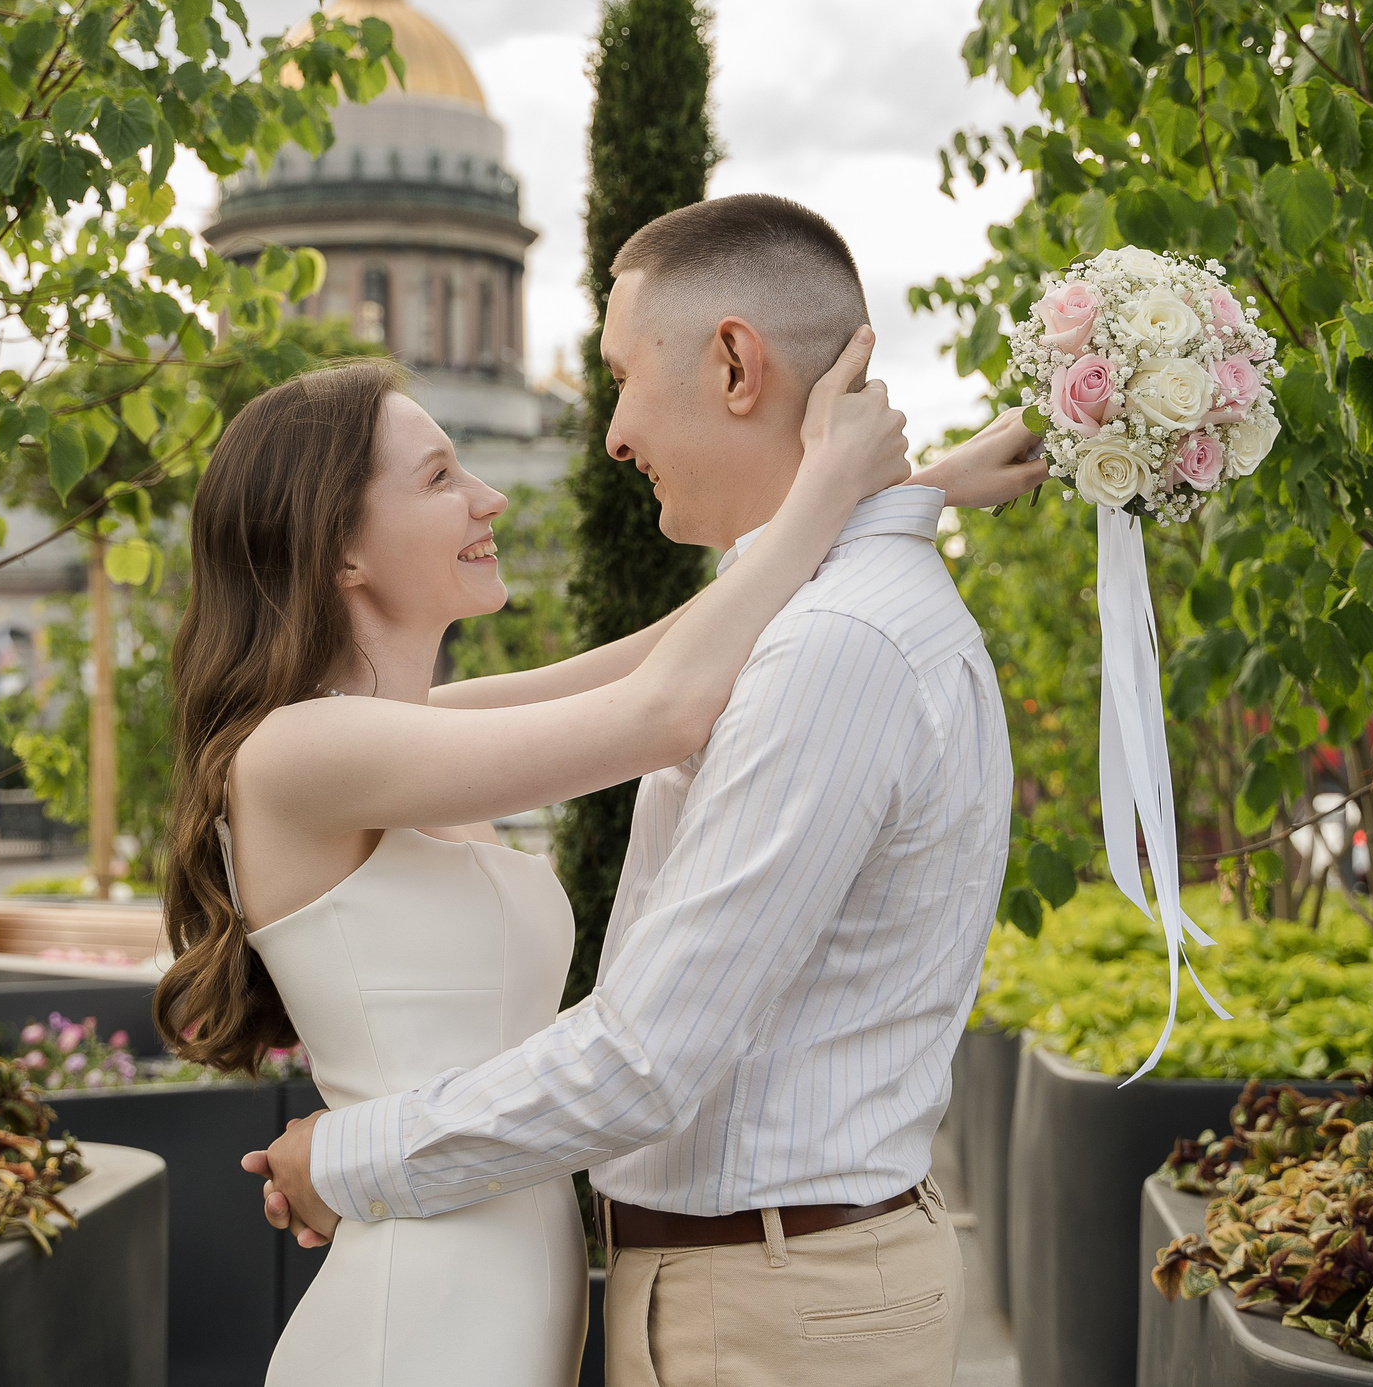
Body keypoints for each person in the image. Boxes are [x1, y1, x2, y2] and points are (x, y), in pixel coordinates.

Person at [241, 194, 1049, 1386]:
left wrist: (889, 493)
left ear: (733, 364)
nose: (499, 493)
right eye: (440, 476)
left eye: (621, 378)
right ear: (338, 545)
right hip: (453, 1293)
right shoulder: (306, 751)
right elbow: (663, 699)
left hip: (646, 1293)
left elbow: (658, 672)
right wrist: (843, 493)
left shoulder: (419, 739)